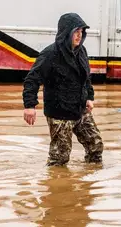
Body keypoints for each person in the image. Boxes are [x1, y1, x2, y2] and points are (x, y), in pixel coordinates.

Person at [22, 12, 104, 166]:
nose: (79, 36)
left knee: (96, 146)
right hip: (59, 113)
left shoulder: (82, 51)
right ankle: (56, 186)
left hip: (79, 109)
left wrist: (89, 97)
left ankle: (90, 182)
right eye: (76, 32)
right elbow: (32, 80)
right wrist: (29, 106)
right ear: (67, 33)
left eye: (81, 32)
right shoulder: (50, 54)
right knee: (60, 158)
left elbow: (86, 77)